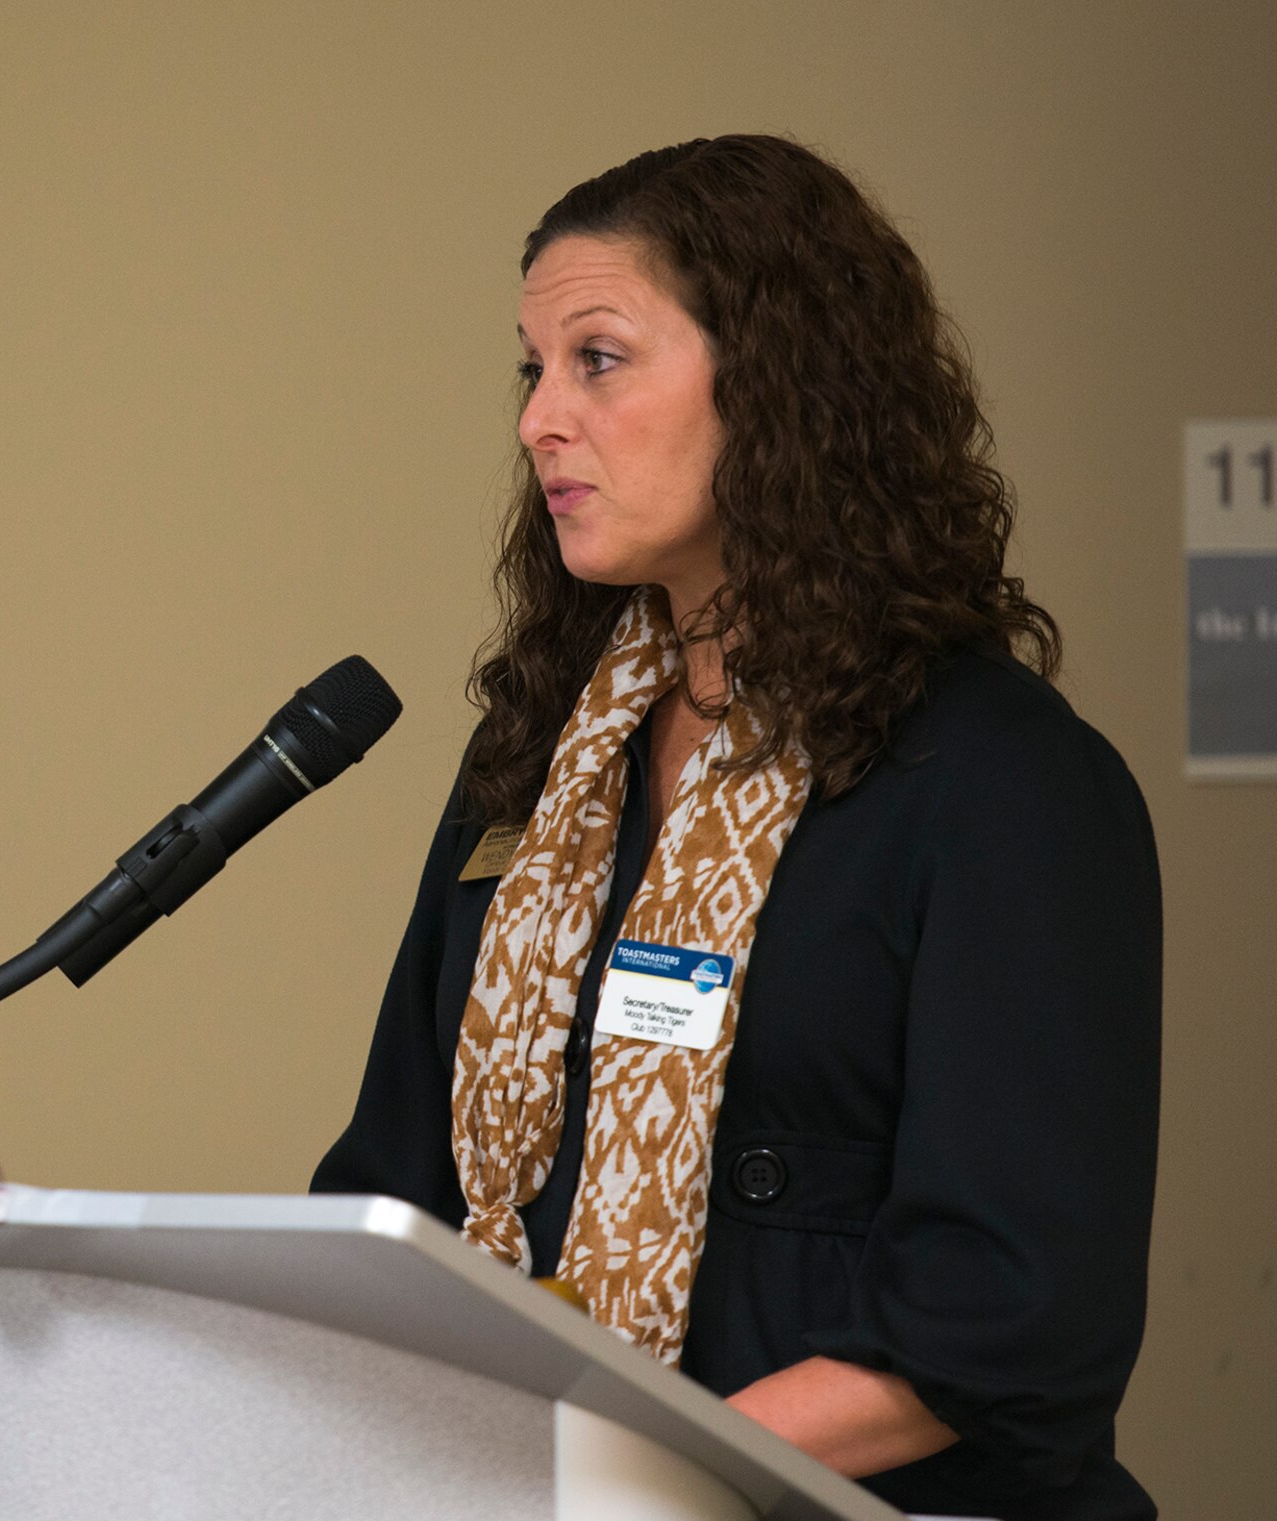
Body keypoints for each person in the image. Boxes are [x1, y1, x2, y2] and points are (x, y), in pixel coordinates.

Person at [311, 135, 1160, 1521]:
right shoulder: (530, 759)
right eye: (532, 369)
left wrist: (617, 1461)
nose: (537, 420)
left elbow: (1014, 1315)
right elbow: (390, 1193)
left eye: (596, 357)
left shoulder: (1002, 783)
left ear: (776, 387)